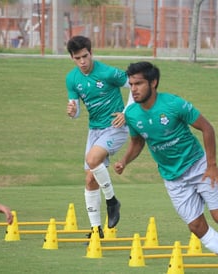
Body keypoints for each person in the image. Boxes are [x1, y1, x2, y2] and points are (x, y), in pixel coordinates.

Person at [113, 61, 218, 274]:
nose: (133, 89)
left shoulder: (174, 104)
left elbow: (207, 128)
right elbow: (137, 142)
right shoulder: (132, 113)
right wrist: (124, 161)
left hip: (198, 166)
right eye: (131, 84)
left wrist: (212, 165)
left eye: (138, 84)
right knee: (196, 226)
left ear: (153, 82)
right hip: (172, 177)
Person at [65, 36, 133, 237]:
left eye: (85, 56)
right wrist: (72, 111)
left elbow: (136, 85)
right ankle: (96, 230)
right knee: (89, 179)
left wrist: (126, 113)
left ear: (91, 53)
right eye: (78, 58)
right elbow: (76, 110)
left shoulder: (108, 72)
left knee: (92, 160)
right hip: (94, 130)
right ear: (72, 58)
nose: (83, 62)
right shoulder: (72, 78)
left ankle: (112, 201)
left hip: (116, 127)